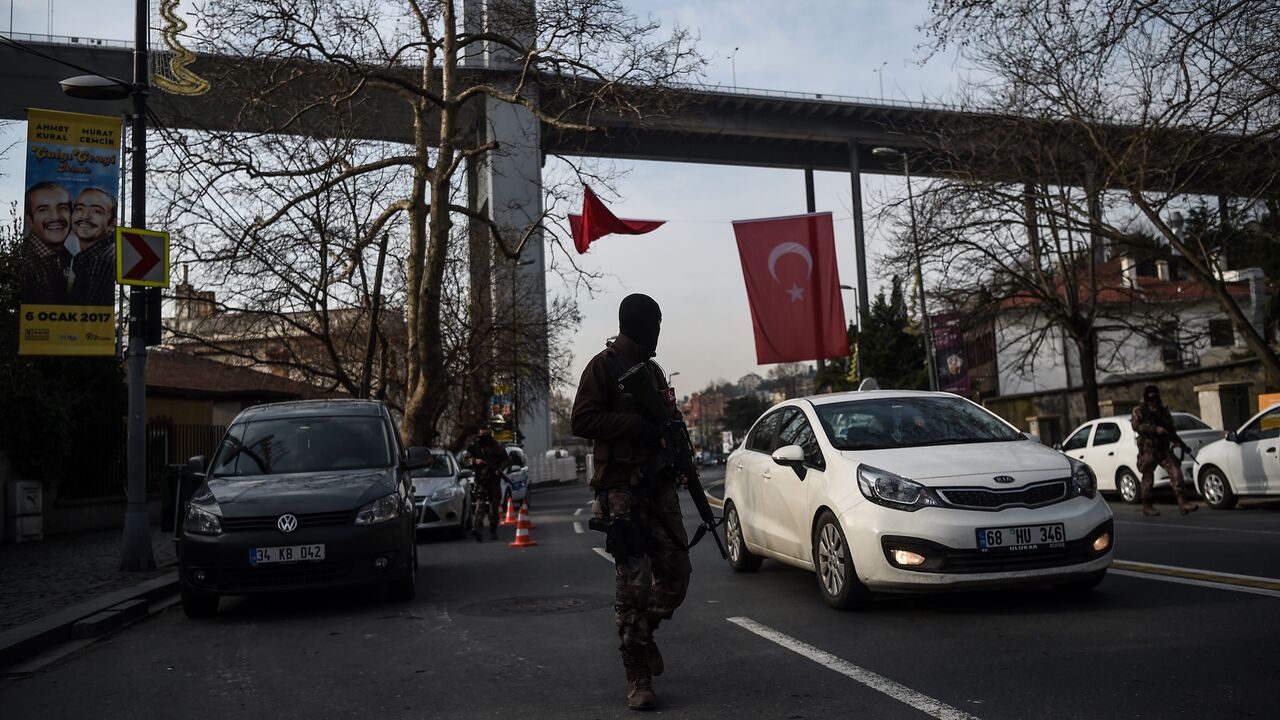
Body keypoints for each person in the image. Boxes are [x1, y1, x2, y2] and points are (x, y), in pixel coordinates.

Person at [571, 293, 691, 712]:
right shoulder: (602, 368)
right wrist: (634, 426)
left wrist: (678, 455)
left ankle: (647, 630)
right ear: (639, 323)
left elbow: (668, 421)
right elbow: (581, 420)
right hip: (622, 492)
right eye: (654, 322)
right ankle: (636, 673)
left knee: (677, 573)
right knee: (632, 587)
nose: (658, 330)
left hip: (658, 487)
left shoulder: (653, 372)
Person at [1130, 385, 1197, 516]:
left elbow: (1170, 428)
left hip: (1163, 447)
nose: (1153, 401)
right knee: (1148, 478)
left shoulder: (1163, 411)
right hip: (1148, 448)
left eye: (1154, 398)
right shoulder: (1139, 410)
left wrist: (1176, 441)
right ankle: (1147, 505)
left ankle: (1182, 502)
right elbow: (1136, 426)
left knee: (1176, 471)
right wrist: (1154, 429)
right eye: (1151, 399)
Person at [21, 181, 75, 305]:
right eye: (43, 210)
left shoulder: (66, 257)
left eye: (63, 208)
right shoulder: (26, 261)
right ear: (30, 220)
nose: (56, 217)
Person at [68, 187, 118, 307]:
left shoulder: (101, 260)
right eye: (79, 208)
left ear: (112, 224)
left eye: (97, 211)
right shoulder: (88, 259)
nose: (85, 216)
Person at [466, 425, 509, 541]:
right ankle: (478, 530)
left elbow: (506, 460)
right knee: (480, 505)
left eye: (486, 434)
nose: (484, 437)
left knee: (493, 507)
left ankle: (493, 530)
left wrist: (499, 469)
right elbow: (465, 460)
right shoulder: (475, 446)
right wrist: (475, 461)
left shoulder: (497, 446)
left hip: (494, 481)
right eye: (482, 434)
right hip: (481, 480)